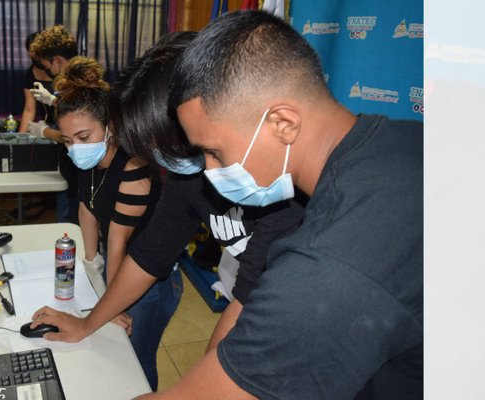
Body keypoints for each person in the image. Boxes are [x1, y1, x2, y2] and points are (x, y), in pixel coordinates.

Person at [135, 11, 422, 399]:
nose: (208, 170)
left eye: (213, 152)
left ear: (283, 124)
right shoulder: (407, 140)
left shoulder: (325, 269)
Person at [29, 32, 304, 389]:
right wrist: (88, 322)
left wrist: (195, 392)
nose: (199, 163)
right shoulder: (187, 176)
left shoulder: (290, 195)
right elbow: (148, 256)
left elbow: (247, 299)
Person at [48, 56, 181, 391]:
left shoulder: (134, 168)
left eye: (83, 136)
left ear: (110, 127)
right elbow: (87, 211)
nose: (76, 148)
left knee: (133, 365)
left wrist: (108, 300)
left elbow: (119, 241)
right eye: (67, 141)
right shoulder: (90, 160)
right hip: (116, 268)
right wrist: (92, 265)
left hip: (149, 284)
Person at [25, 25, 80, 224]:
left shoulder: (76, 81)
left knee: (74, 220)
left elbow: (75, 137)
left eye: (48, 66)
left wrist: (44, 131)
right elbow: (78, 109)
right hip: (73, 167)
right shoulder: (78, 76)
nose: (50, 71)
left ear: (57, 60)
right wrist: (53, 100)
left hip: (80, 171)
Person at [18, 32, 55, 134]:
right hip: (50, 126)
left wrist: (52, 100)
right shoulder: (31, 74)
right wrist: (20, 139)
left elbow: (71, 108)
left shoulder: (62, 71)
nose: (39, 62)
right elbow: (29, 110)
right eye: (34, 58)